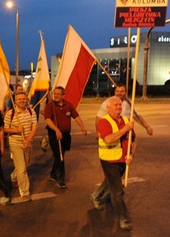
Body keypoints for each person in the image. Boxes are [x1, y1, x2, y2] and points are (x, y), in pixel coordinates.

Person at [90, 96, 137, 230]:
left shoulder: (127, 120)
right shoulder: (104, 122)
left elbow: (134, 140)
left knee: (110, 181)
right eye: (115, 105)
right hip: (109, 160)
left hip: (123, 160)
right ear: (108, 108)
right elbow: (109, 139)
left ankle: (95, 196)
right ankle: (123, 218)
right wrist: (125, 129)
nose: (118, 107)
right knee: (117, 191)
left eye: (119, 105)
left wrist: (131, 155)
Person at [44, 86, 87, 189]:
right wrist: (56, 130)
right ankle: (61, 179)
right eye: (55, 93)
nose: (56, 95)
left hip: (66, 135)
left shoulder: (68, 105)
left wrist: (82, 127)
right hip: (55, 134)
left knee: (60, 154)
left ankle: (53, 174)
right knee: (60, 156)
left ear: (63, 95)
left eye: (58, 94)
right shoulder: (50, 106)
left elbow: (75, 116)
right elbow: (48, 120)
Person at [3, 91, 37, 202]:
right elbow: (4, 129)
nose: (22, 101)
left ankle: (13, 176)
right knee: (22, 168)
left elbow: (34, 127)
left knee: (23, 166)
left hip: (27, 142)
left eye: (23, 99)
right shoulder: (10, 113)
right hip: (15, 143)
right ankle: (24, 192)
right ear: (15, 101)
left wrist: (28, 140)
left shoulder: (31, 112)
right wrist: (16, 130)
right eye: (19, 99)